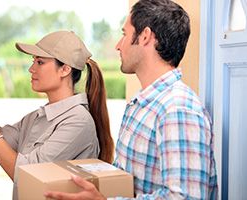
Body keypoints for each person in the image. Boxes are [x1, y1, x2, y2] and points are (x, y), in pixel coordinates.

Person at [45, 0, 218, 199]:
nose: (119, 46)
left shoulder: (178, 109)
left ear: (144, 36)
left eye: (124, 34)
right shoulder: (141, 105)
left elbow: (185, 197)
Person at [0, 30, 114, 199]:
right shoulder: (36, 118)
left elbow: (25, 174)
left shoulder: (78, 122)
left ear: (65, 70)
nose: (31, 69)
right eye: (34, 61)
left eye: (40, 62)